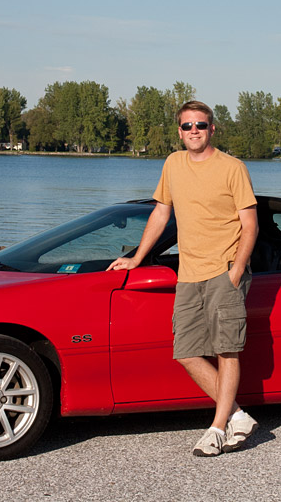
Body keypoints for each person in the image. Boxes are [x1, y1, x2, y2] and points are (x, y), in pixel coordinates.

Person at [107, 100, 259, 456]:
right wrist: (136, 257)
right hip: (188, 275)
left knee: (226, 350)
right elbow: (161, 214)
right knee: (187, 352)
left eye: (201, 126)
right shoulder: (173, 164)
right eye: (188, 126)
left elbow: (250, 225)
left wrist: (235, 272)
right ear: (179, 131)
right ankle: (237, 415)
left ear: (212, 129)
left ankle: (217, 428)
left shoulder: (232, 168)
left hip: (224, 271)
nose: (194, 131)